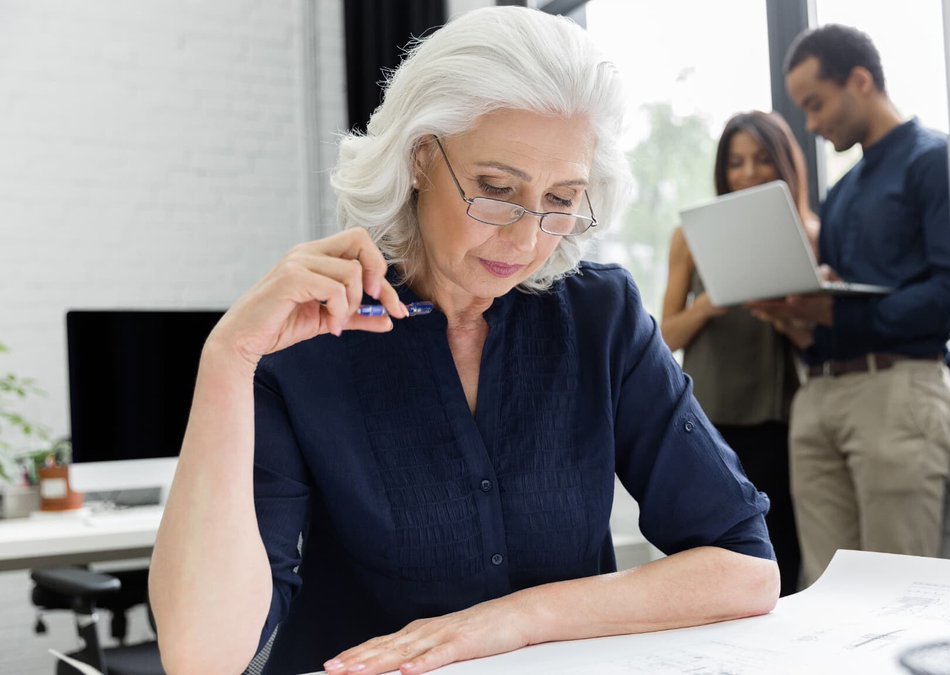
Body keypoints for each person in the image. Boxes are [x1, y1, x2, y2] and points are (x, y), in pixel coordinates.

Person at [146, 7, 779, 675]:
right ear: (421, 158)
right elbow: (201, 655)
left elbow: (744, 567)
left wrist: (513, 618)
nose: (528, 237)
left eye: (562, 198)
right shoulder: (311, 334)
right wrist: (227, 358)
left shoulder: (600, 314)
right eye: (497, 190)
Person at [750, 24, 950, 586]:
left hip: (898, 392)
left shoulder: (932, 162)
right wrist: (795, 313)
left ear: (860, 81)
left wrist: (834, 313)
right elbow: (835, 308)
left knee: (901, 587)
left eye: (816, 105)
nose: (813, 125)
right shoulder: (841, 193)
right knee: (824, 589)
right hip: (820, 396)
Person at [659, 111, 816, 596]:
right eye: (736, 162)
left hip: (779, 418)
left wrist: (783, 314)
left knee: (780, 554)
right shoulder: (692, 236)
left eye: (762, 160)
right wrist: (709, 305)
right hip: (709, 420)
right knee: (712, 553)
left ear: (786, 164)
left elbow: (818, 341)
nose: (748, 173)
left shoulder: (808, 231)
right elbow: (665, 335)